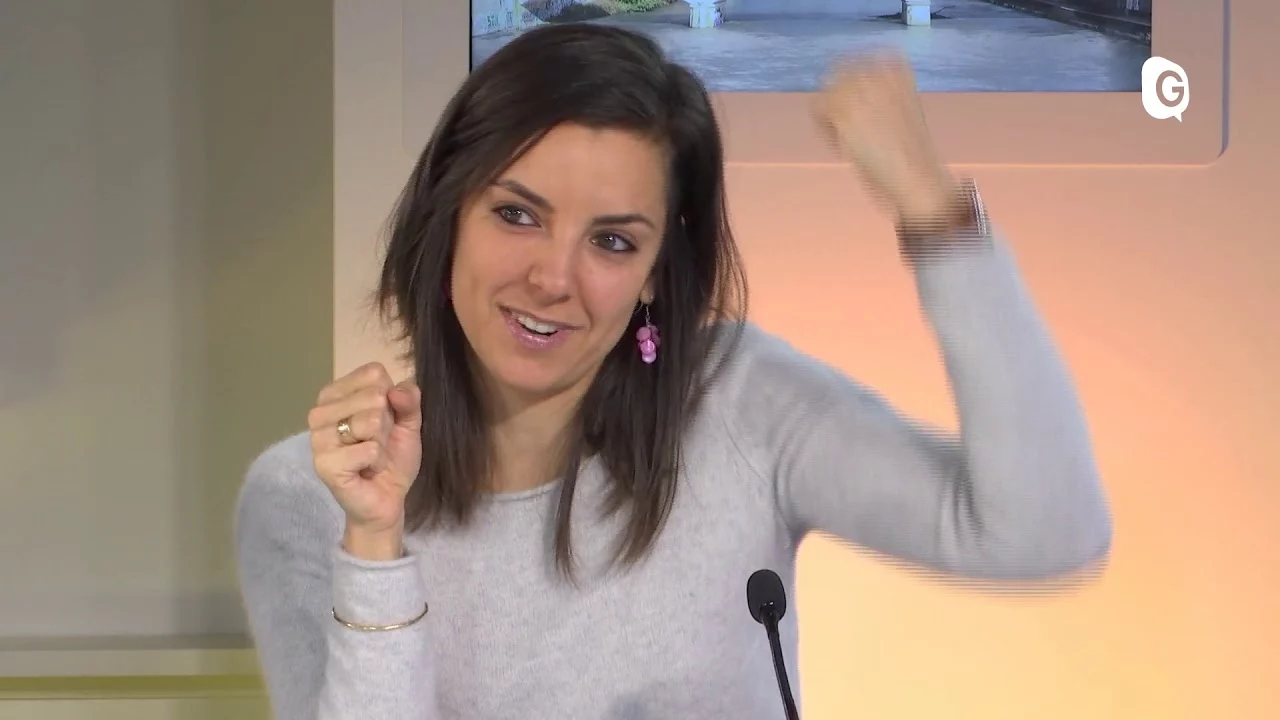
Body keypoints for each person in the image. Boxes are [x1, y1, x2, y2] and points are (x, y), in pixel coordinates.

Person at [234, 23, 1111, 720]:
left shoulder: (741, 402)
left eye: (613, 241)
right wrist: (376, 544)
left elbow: (1046, 533)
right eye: (517, 215)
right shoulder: (307, 498)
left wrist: (934, 211)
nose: (553, 278)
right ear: (448, 212)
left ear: (657, 269)